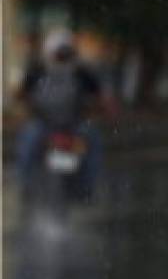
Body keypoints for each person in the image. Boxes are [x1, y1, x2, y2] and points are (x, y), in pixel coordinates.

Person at [15, 30, 106, 200]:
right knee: (27, 144)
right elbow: (22, 95)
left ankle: (87, 186)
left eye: (65, 54)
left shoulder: (81, 72)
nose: (62, 58)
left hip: (73, 126)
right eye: (59, 54)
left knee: (92, 143)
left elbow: (99, 97)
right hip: (46, 125)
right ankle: (26, 185)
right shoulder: (38, 71)